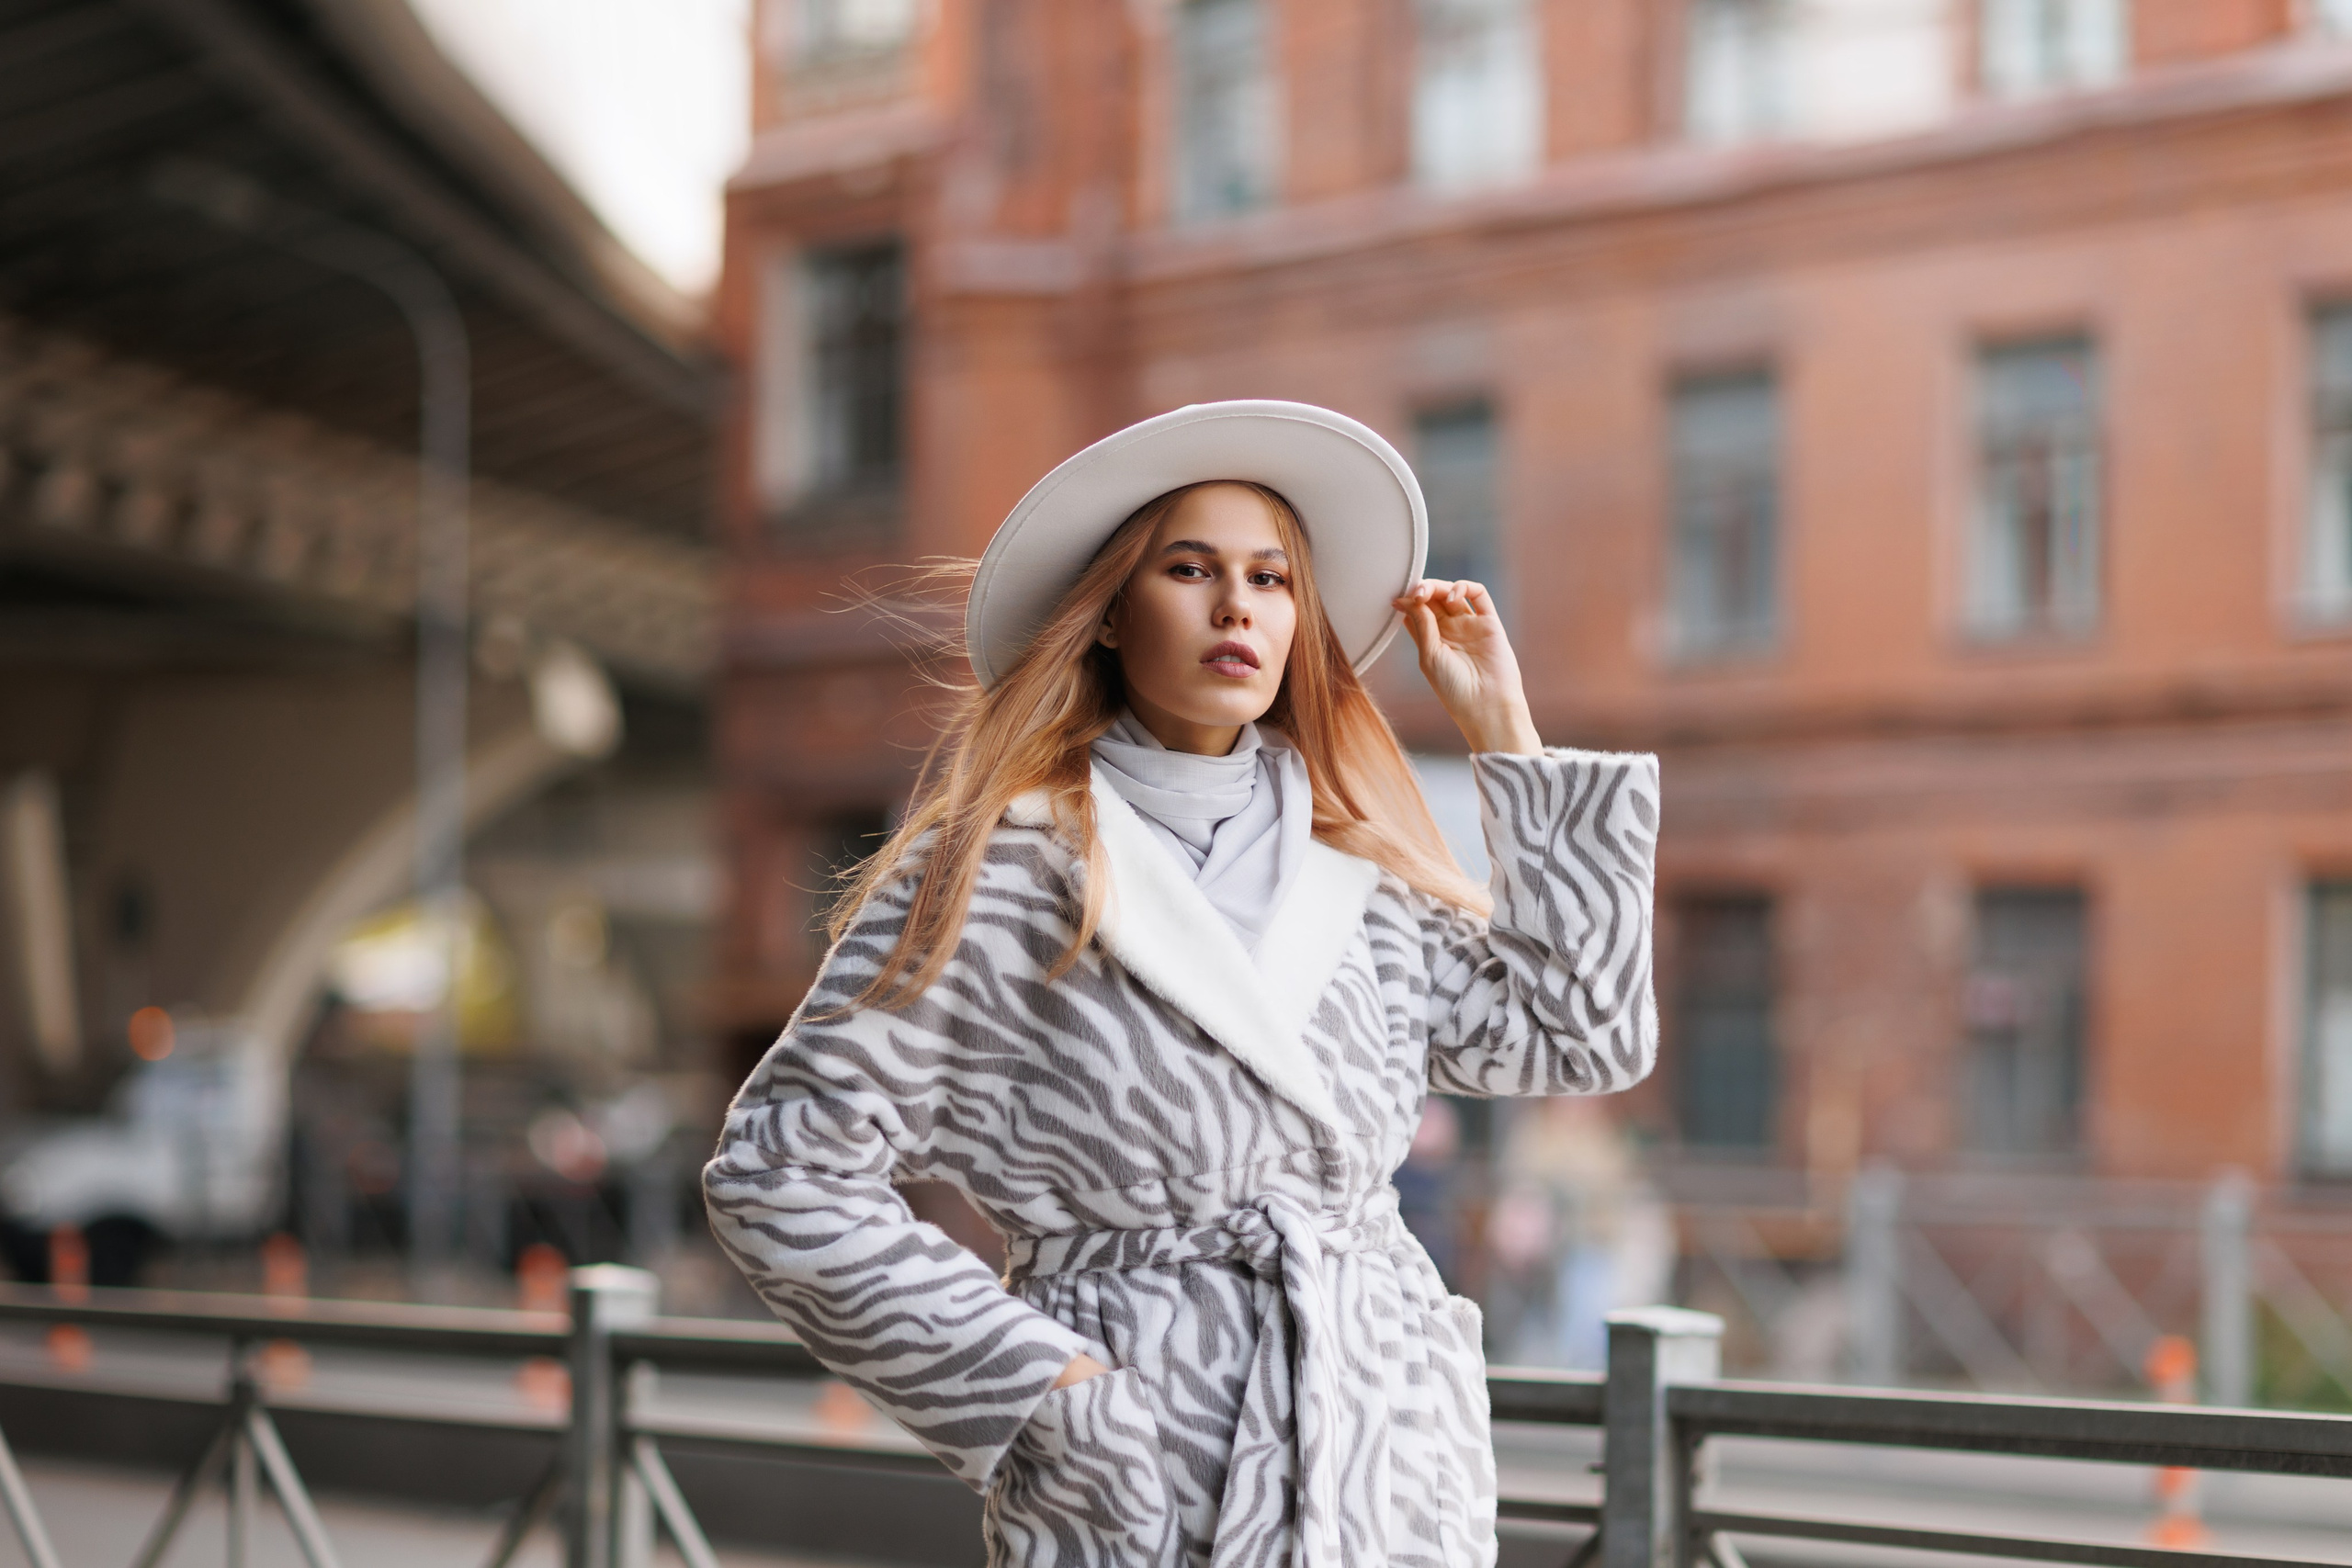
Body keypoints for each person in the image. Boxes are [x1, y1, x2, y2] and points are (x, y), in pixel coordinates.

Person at [705, 400, 1658, 1568]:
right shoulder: (999, 870)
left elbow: (1582, 1036)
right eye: (1190, 569)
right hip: (1148, 1478)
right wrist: (1045, 1395)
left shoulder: (1356, 870)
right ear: (1108, 612)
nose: (1235, 607)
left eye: (1270, 578)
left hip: (1388, 1465)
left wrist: (1506, 735)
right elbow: (778, 1173)